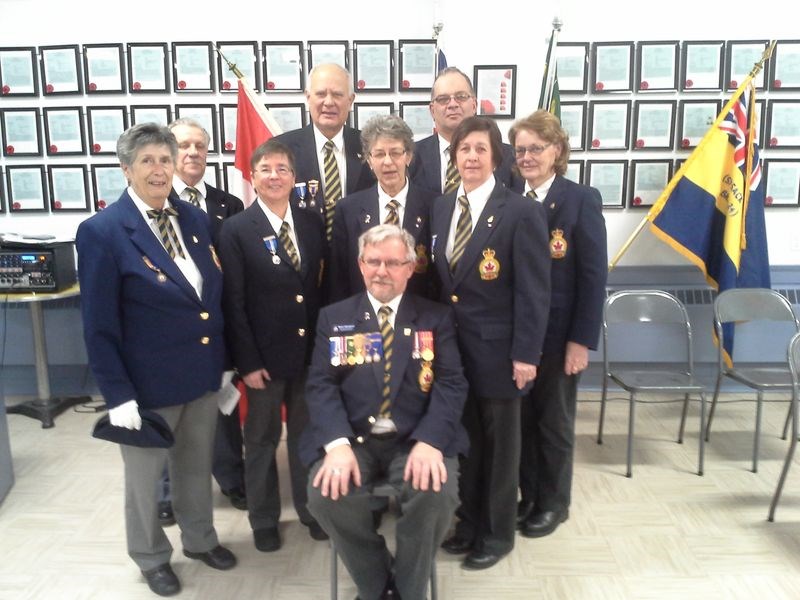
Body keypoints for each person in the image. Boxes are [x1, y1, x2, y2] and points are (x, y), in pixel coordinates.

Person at [76, 123, 237, 597]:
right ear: (126, 169)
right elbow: (98, 324)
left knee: (194, 466)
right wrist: (117, 393)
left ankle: (200, 539)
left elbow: (211, 297)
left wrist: (224, 363)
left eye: (165, 160)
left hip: (202, 375)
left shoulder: (194, 219)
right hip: (145, 387)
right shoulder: (103, 231)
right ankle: (149, 556)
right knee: (145, 482)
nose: (159, 169)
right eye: (147, 160)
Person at [302, 224, 468, 600]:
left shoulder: (435, 317)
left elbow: (452, 383)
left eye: (393, 262)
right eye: (374, 261)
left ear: (411, 267)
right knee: (325, 494)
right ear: (360, 265)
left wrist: (430, 442)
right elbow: (320, 384)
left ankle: (409, 590)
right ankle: (375, 582)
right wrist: (336, 445)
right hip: (353, 438)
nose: (382, 271)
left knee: (435, 494)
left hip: (414, 439)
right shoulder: (335, 318)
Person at [431, 116, 550, 570]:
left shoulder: (521, 211)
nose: (472, 157)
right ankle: (469, 522)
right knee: (466, 445)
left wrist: (526, 355)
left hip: (501, 355)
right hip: (453, 355)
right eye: (464, 149)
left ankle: (498, 534)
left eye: (481, 149)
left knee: (502, 451)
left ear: (496, 158)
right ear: (455, 156)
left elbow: (534, 293)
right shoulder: (442, 208)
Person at [218, 139, 327, 551]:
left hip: (307, 356)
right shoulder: (236, 229)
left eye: (283, 168)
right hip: (262, 359)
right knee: (261, 441)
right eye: (265, 168)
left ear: (294, 177)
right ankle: (263, 518)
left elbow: (317, 289)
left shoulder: (312, 221)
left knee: (307, 437)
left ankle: (311, 510)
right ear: (252, 176)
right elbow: (235, 301)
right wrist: (247, 362)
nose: (275, 176)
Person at [509, 111, 607, 538]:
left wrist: (581, 341)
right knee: (523, 422)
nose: (528, 157)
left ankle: (553, 503)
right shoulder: (510, 196)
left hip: (559, 336)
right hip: (519, 338)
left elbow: (592, 276)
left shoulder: (579, 200)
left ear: (557, 151)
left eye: (536, 148)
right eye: (521, 150)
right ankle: (528, 496)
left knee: (554, 422)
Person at [150, 118, 246, 527]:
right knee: (171, 415)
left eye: (200, 147)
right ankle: (168, 491)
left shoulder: (228, 205)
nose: (192, 153)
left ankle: (231, 478)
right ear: (170, 153)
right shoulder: (152, 204)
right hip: (171, 334)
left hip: (219, 326)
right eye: (184, 146)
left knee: (222, 408)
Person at [329, 114, 437, 303]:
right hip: (364, 321)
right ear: (369, 161)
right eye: (379, 154)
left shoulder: (434, 205)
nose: (387, 162)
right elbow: (338, 280)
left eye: (395, 153)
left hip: (420, 318)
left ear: (408, 157)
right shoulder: (348, 210)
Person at [274, 63, 375, 241]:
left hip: (358, 258)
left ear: (350, 100)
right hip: (304, 260)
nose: (329, 102)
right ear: (308, 97)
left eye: (337, 94)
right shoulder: (281, 149)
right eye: (321, 94)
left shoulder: (369, 146)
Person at [408, 67, 519, 195]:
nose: (453, 104)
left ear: (474, 105)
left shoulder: (509, 156)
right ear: (432, 110)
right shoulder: (411, 156)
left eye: (460, 97)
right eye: (443, 99)